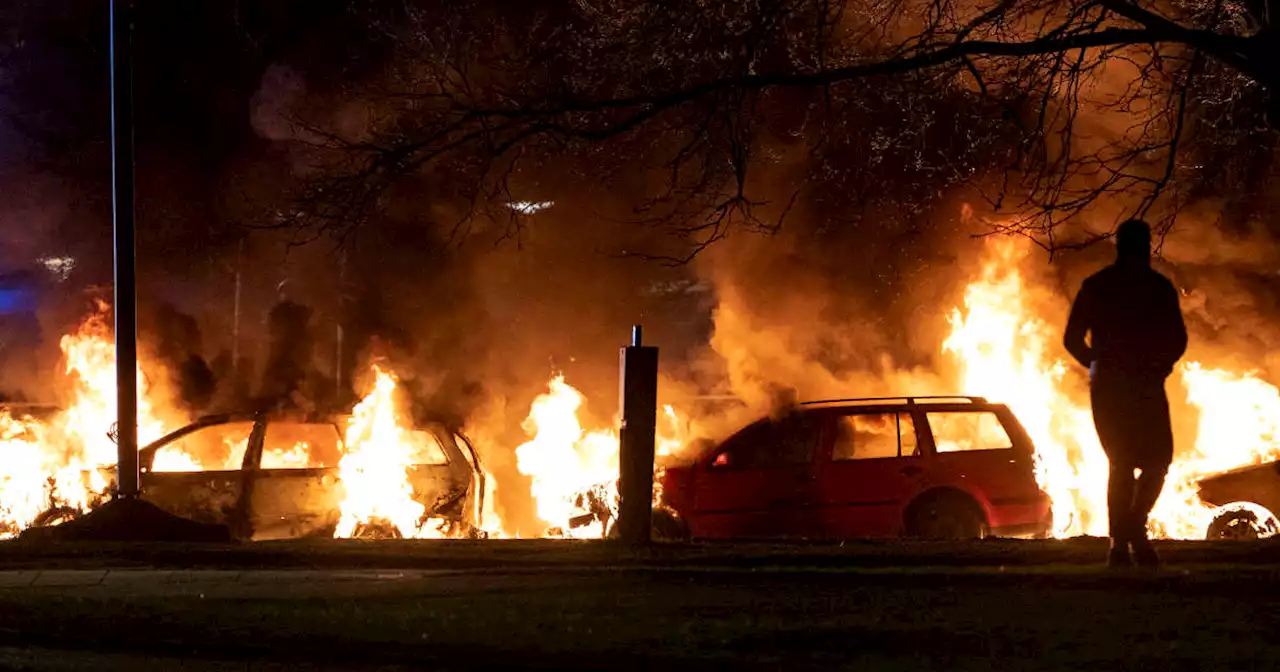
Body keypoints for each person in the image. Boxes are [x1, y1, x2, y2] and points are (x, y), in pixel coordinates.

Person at [1064, 219, 1187, 568]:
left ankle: (1128, 533)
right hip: (1131, 388)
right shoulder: (1151, 287)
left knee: (1140, 464)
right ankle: (1126, 541)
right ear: (1144, 247)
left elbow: (1072, 339)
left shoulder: (1104, 286)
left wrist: (1096, 366)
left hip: (1124, 388)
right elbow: (1177, 339)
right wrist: (1104, 367)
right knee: (1142, 463)